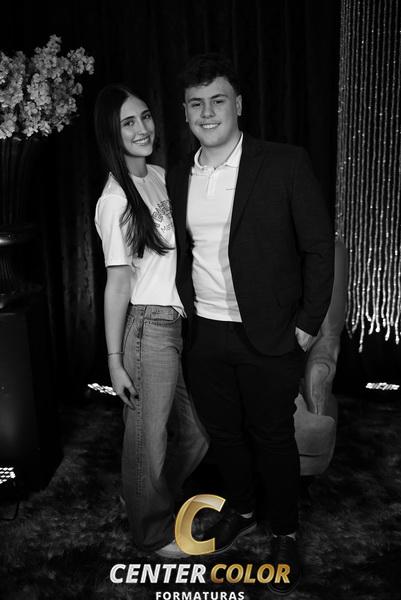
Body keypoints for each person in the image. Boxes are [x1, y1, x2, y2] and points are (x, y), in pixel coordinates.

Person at [166, 54, 334, 593]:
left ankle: (283, 528)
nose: (207, 112)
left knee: (272, 436)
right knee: (223, 433)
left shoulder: (284, 163)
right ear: (185, 112)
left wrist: (307, 324)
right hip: (205, 331)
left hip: (270, 333)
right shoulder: (178, 175)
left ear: (237, 105)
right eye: (196, 104)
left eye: (217, 100)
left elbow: (319, 248)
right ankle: (240, 508)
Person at [94, 84, 208, 558]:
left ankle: (143, 494)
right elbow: (118, 283)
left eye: (145, 116)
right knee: (148, 439)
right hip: (146, 328)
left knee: (196, 433)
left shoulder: (158, 176)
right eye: (128, 122)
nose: (142, 128)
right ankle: (152, 532)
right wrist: (114, 361)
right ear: (112, 133)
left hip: (173, 325)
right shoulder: (115, 199)